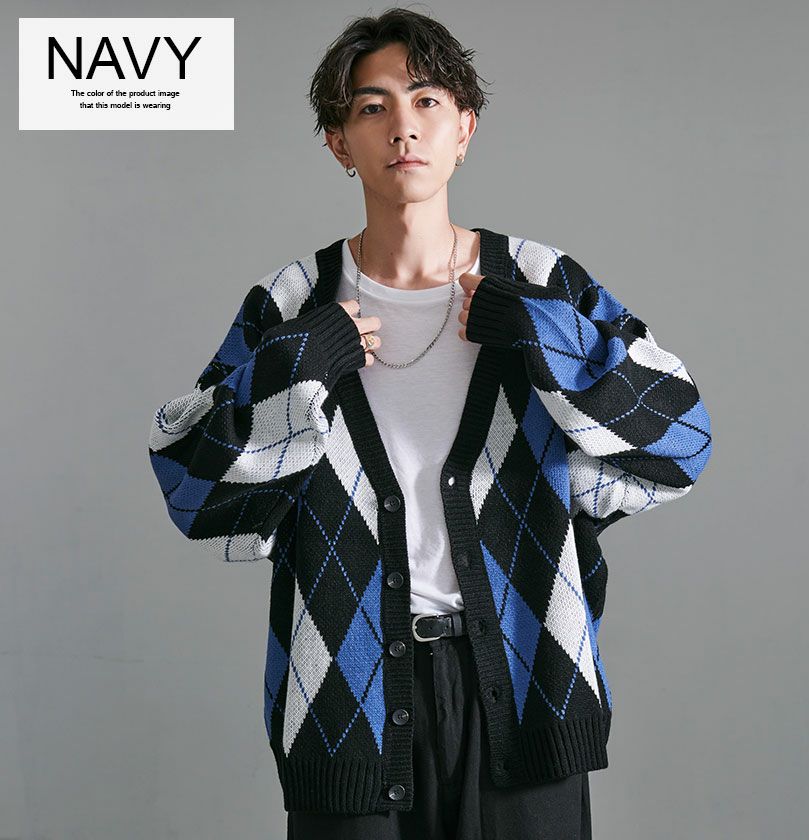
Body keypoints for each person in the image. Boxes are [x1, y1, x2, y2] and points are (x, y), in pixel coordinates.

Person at [148, 7, 711, 839]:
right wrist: (301, 364)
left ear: (464, 129)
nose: (402, 128)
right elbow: (191, 489)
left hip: (528, 684)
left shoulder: (539, 280)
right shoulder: (291, 304)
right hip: (345, 704)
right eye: (371, 107)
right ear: (340, 144)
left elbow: (683, 437)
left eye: (426, 101)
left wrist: (543, 334)